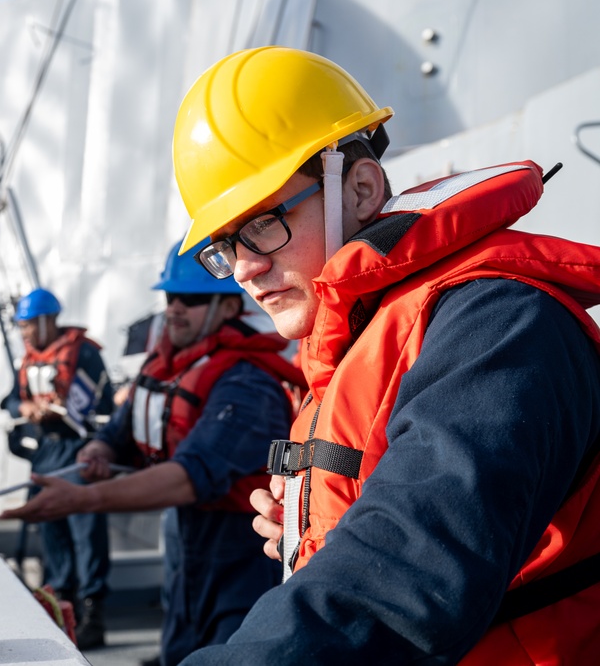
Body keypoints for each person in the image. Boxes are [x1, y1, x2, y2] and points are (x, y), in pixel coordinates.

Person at [169, 46, 600, 664]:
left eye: (263, 223)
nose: (244, 269)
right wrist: (310, 525)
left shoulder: (502, 325)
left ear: (362, 187)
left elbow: (405, 572)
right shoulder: (366, 336)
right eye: (225, 246)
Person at [2, 243, 306, 666]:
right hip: (182, 537)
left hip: (240, 547)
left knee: (231, 649)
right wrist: (98, 448)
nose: (177, 308)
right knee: (180, 642)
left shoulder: (247, 385)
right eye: (171, 297)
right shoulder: (161, 367)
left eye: (193, 299)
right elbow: (118, 429)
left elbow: (190, 475)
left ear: (225, 307)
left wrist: (84, 500)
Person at [1, 287, 115, 649]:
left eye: (30, 325)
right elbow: (10, 399)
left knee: (86, 533)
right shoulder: (29, 360)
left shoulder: (83, 353)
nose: (26, 334)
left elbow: (105, 401)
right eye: (22, 327)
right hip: (45, 451)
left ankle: (92, 615)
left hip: (77, 449)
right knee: (51, 530)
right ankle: (61, 606)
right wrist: (27, 409)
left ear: (49, 321)